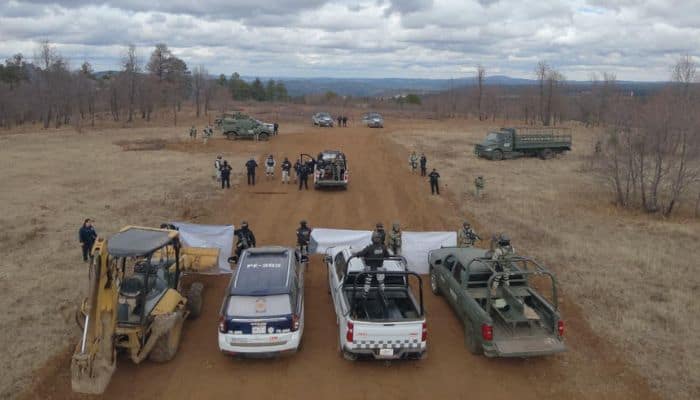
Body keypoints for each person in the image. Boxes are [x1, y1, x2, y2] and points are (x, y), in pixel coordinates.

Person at [353, 233, 391, 300]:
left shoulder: (369, 248)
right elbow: (388, 256)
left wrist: (355, 254)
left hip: (370, 269)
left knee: (368, 281)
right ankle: (382, 293)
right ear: (380, 239)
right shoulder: (383, 247)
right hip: (379, 268)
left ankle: (365, 294)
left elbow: (361, 253)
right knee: (381, 281)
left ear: (372, 239)